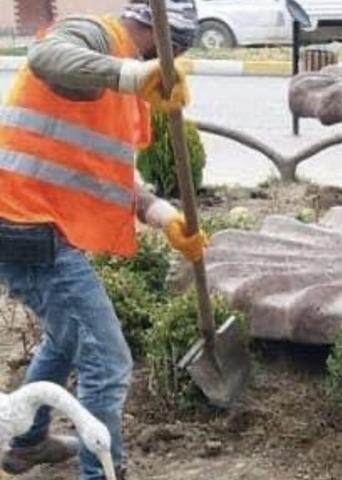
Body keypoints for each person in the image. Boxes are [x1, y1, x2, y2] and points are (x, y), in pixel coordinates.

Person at [0, 3, 205, 479]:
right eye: (179, 50)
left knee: (67, 337)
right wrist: (133, 75)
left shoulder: (123, 76)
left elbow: (101, 170)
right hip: (28, 226)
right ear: (166, 41)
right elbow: (46, 58)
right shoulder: (96, 36)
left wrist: (163, 215)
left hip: (30, 223)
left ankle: (28, 443)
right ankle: (102, 472)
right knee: (109, 362)